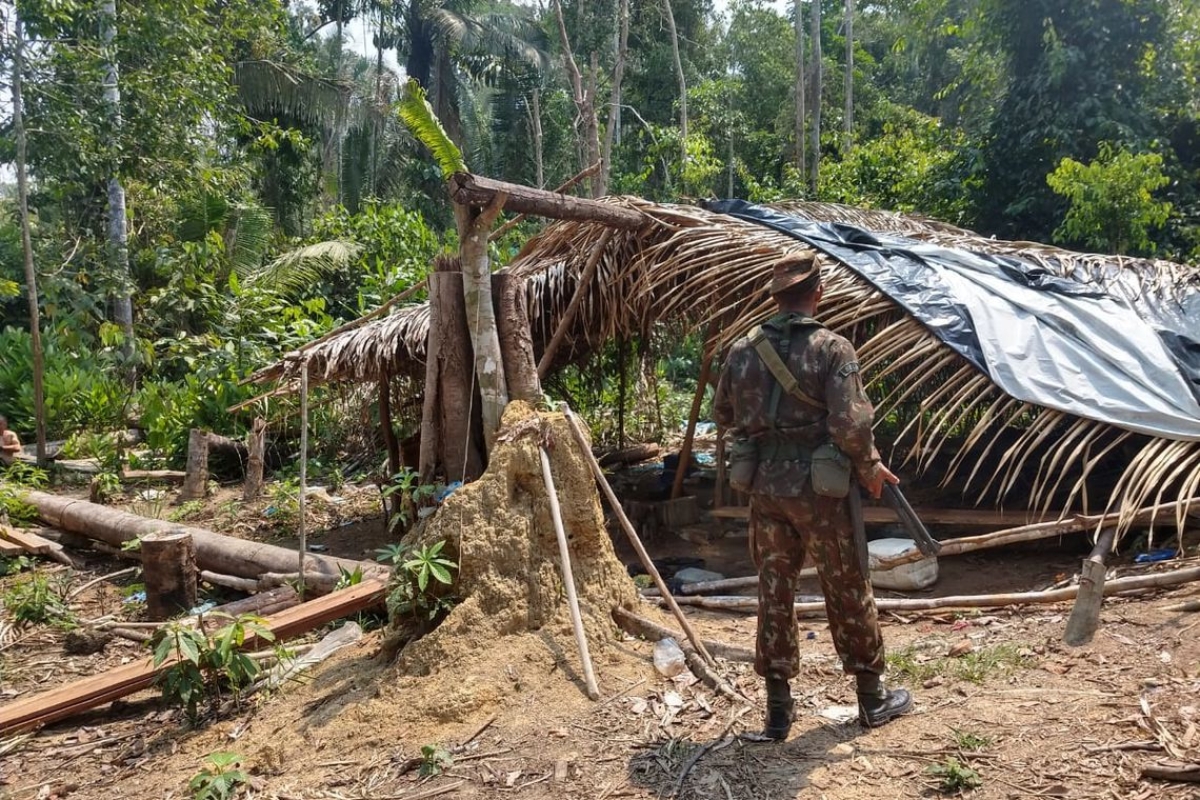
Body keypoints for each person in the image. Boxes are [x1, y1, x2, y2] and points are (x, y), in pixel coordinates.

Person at [713, 250, 912, 740]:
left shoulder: (742, 351)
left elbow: (723, 413)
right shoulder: (832, 349)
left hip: (765, 488)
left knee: (774, 589)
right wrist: (868, 466)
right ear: (817, 294)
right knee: (845, 584)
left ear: (778, 299)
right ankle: (871, 698)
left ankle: (778, 713)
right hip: (820, 490)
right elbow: (851, 423)